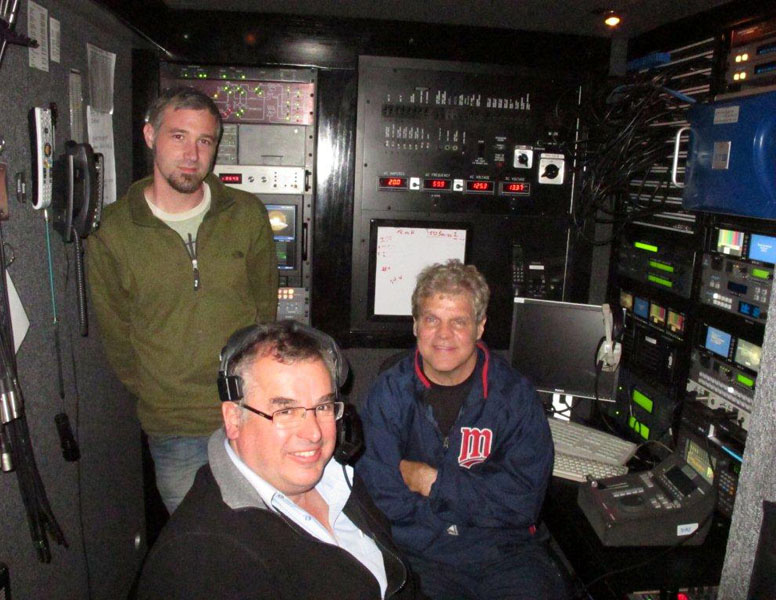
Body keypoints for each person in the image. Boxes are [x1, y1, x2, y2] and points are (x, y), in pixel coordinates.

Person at [87, 86, 278, 513]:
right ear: (150, 135)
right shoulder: (113, 232)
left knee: (260, 542)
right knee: (200, 551)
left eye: (204, 141)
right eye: (178, 137)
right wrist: (160, 392)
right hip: (174, 429)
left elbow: (265, 310)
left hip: (250, 415)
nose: (192, 154)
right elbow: (117, 336)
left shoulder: (246, 214)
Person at [136, 320, 419, 599]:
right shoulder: (202, 561)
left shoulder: (337, 478)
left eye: (322, 406)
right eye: (285, 412)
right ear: (234, 418)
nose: (313, 433)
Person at [357, 260, 567, 600]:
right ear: (415, 326)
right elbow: (379, 494)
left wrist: (432, 482)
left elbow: (521, 502)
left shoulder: (515, 397)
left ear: (480, 327)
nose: (443, 334)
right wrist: (462, 514)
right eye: (432, 320)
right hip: (421, 554)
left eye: (458, 321)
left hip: (505, 555)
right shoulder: (388, 393)